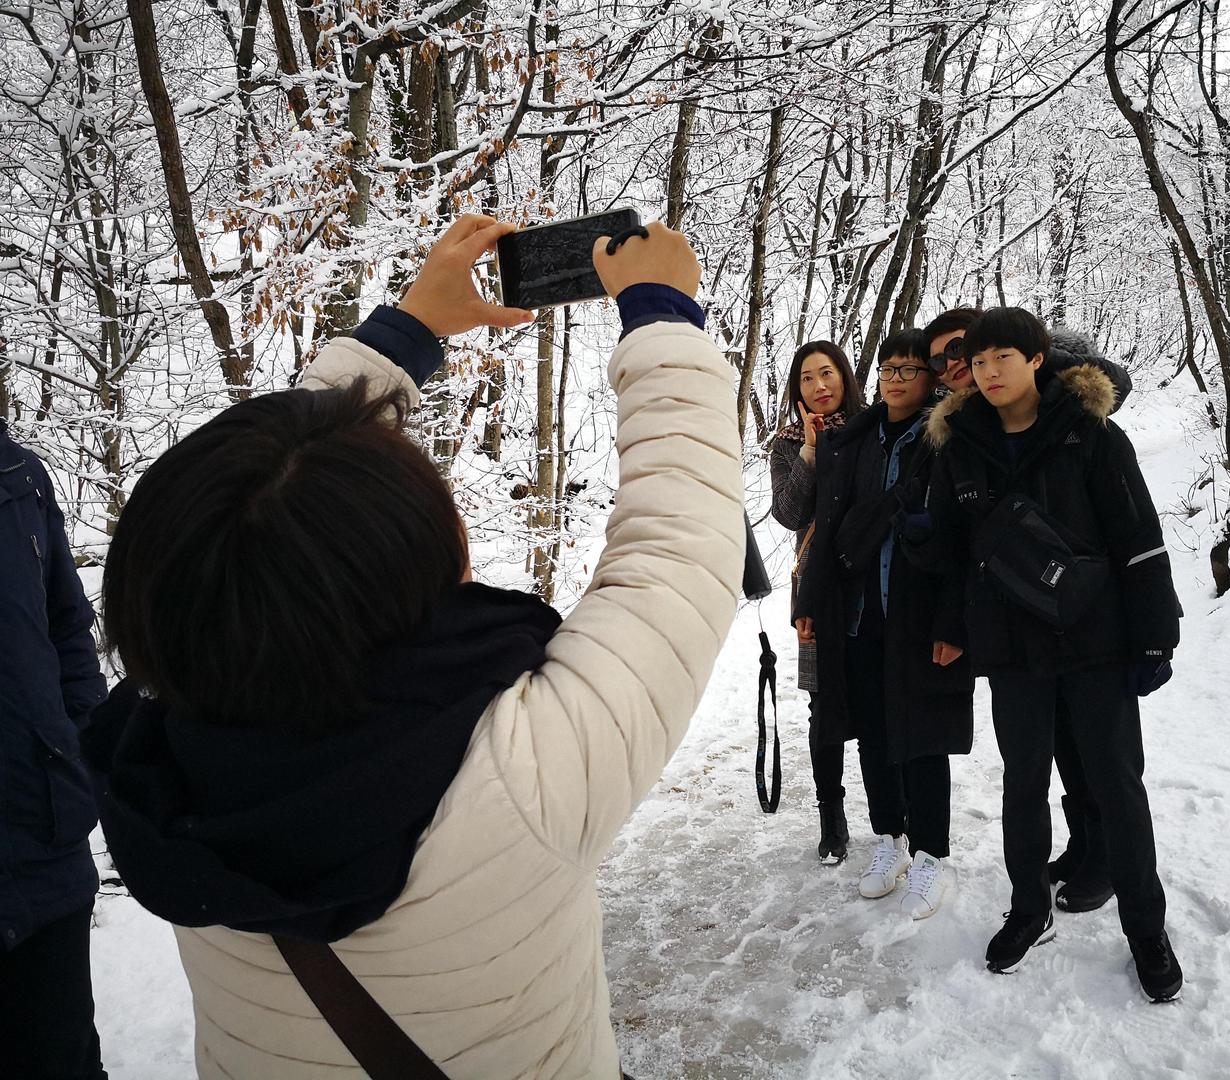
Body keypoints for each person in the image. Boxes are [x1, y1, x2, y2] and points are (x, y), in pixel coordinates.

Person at [82, 216, 744, 1077]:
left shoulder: (158, 764)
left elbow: (241, 510)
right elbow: (677, 548)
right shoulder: (526, 770)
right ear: (442, 567)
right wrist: (658, 311)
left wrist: (407, 332)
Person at [921, 306, 1182, 1001]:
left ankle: (1146, 930)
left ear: (1037, 359)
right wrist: (949, 622)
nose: (988, 372)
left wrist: (1157, 633)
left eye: (1003, 356)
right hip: (1011, 650)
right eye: (977, 362)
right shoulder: (960, 445)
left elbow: (1139, 537)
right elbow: (950, 553)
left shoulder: (1090, 436)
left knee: (1118, 789)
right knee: (1022, 784)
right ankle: (1029, 909)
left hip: (1095, 641)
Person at [794, 329, 971, 920]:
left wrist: (954, 623)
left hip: (917, 616)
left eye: (909, 369)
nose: (896, 379)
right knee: (872, 733)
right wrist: (810, 607)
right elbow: (824, 531)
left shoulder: (947, 439)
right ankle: (889, 839)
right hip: (858, 615)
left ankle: (930, 854)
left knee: (921, 739)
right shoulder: (854, 441)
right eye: (889, 369)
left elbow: (961, 542)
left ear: (931, 378)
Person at [1, 420, 109, 1079]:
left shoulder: (18, 481)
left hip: (43, 844)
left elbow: (67, 627)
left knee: (63, 1060)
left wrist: (78, 745)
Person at [768, 340, 864, 862]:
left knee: (875, 697)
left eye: (826, 374)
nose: (818, 386)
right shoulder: (784, 444)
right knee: (822, 703)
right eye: (806, 378)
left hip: (872, 584)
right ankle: (832, 816)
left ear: (844, 377)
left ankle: (893, 816)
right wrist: (808, 450)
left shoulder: (875, 427)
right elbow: (787, 512)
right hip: (813, 593)